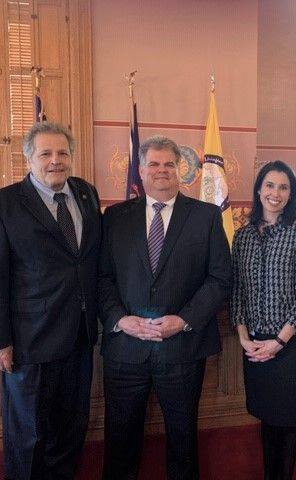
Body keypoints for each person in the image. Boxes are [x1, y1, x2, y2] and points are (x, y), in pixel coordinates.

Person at [98, 135, 232, 480]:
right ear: (140, 171)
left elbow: (220, 279)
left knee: (183, 440)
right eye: (153, 164)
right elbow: (102, 278)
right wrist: (119, 320)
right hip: (126, 350)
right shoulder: (114, 217)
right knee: (120, 442)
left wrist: (185, 320)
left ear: (180, 169)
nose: (161, 171)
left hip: (183, 349)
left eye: (169, 164)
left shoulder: (205, 216)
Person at [0, 122, 102, 480]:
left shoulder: (86, 194)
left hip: (79, 337)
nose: (55, 161)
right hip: (30, 343)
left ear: (71, 157)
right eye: (45, 153)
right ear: (28, 158)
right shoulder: (0, 205)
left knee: (71, 431)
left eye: (62, 153)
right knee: (29, 438)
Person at [231, 160, 296, 480]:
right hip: (254, 344)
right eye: (270, 185)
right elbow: (237, 292)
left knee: (287, 423)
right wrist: (243, 337)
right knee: (267, 420)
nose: (275, 193)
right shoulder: (243, 237)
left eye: (283, 187)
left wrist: (279, 342)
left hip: (289, 346)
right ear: (258, 189)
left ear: (291, 194)